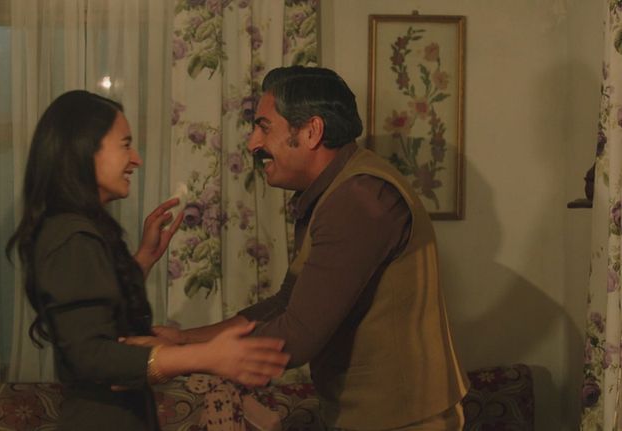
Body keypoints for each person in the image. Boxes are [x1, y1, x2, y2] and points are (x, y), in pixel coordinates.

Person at [151, 67, 470, 430]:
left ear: (311, 132)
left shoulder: (358, 199)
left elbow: (297, 335)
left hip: (403, 419)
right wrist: (183, 339)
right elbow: (287, 302)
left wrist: (179, 357)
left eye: (264, 127)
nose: (253, 144)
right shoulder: (335, 191)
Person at [6, 90, 290, 431]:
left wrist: (143, 258)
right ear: (84, 149)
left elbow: (100, 315)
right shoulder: (71, 236)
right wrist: (205, 356)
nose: (136, 159)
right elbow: (90, 355)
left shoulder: (78, 230)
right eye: (125, 145)